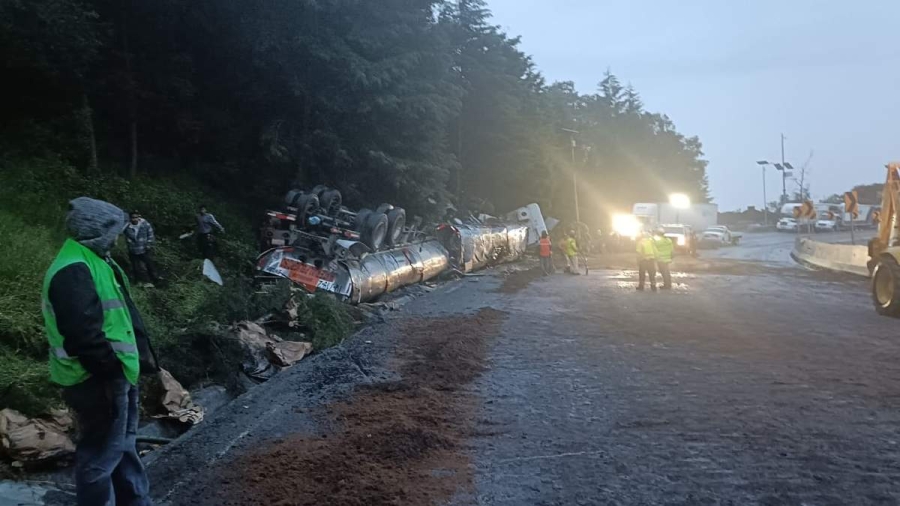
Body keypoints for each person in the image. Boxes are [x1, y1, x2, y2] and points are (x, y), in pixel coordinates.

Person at [42, 197, 159, 506]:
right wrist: (112, 371)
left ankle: (136, 501)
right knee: (99, 457)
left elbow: (118, 317)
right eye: (115, 231)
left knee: (123, 448)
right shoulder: (73, 270)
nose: (119, 237)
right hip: (95, 380)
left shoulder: (96, 259)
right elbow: (85, 336)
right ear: (98, 231)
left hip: (114, 375)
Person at [124, 210, 161, 286]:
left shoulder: (145, 224)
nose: (134, 219)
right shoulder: (127, 227)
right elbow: (126, 237)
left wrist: (149, 244)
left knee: (149, 264)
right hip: (133, 250)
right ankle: (140, 281)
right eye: (132, 218)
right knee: (136, 267)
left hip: (145, 248)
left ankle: (155, 279)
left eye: (136, 217)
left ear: (139, 217)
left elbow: (150, 235)